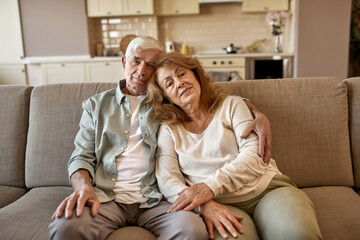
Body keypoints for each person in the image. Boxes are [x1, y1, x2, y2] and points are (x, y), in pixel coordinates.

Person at [48, 36, 273, 240]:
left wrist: (256, 112)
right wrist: (83, 188)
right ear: (124, 62)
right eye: (136, 61)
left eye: (151, 65)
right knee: (65, 227)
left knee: (192, 231)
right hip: (106, 198)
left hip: (157, 200)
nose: (142, 70)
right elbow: (81, 156)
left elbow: (210, 97)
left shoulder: (168, 102)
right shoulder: (95, 106)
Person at [147, 52, 323, 240]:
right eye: (169, 83)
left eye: (181, 74)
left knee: (297, 235)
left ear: (195, 75)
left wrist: (210, 186)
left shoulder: (232, 105)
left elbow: (254, 156)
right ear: (166, 97)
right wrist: (202, 205)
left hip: (267, 191)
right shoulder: (168, 130)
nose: (179, 82)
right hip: (218, 204)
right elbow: (167, 179)